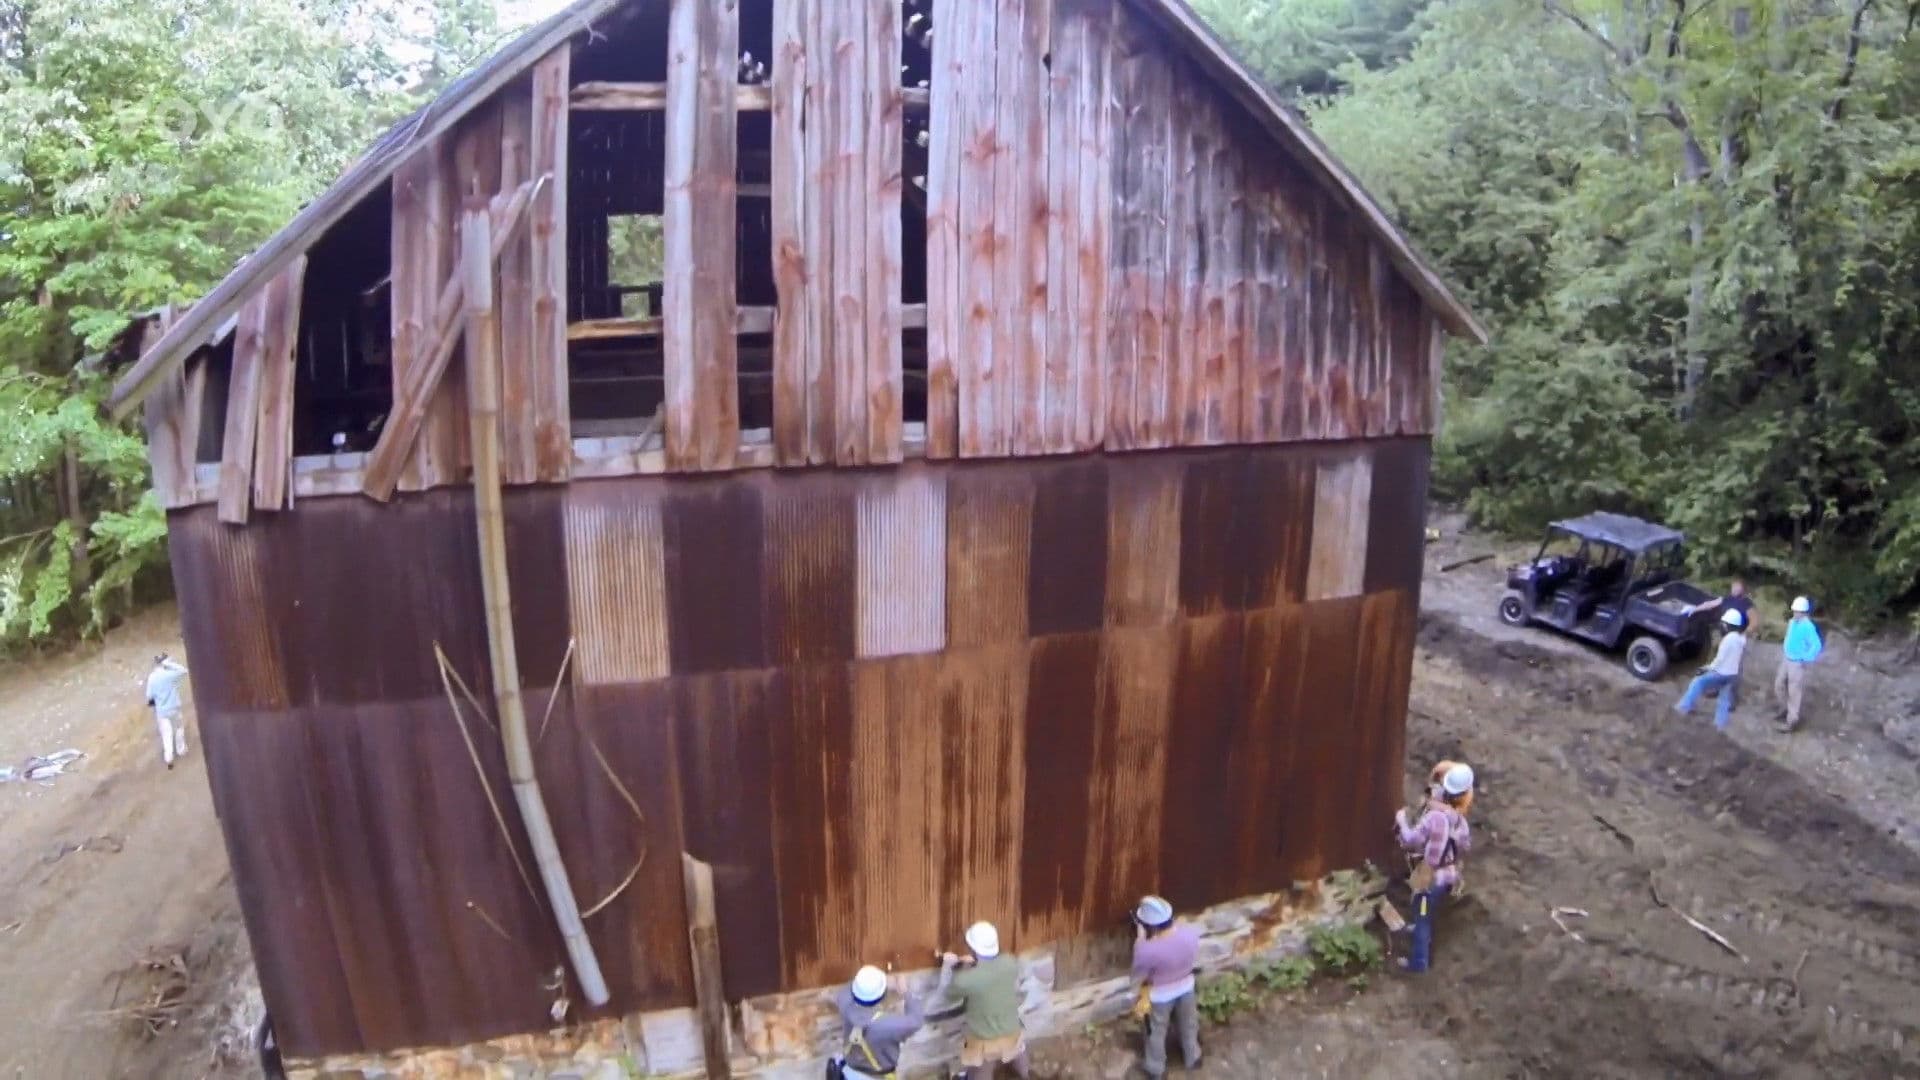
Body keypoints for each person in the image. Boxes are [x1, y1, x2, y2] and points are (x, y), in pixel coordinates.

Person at [1395, 762, 1473, 973]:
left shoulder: (1434, 817)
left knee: (1422, 915)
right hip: (1449, 875)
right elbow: (1465, 845)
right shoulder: (1459, 821)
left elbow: (1411, 840)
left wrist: (1402, 821)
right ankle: (1419, 925)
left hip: (1431, 877)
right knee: (1425, 907)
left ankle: (1419, 963)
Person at [937, 922, 1028, 1079]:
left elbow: (945, 994)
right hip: (1013, 1033)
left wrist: (947, 965)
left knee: (980, 1072)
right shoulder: (1010, 962)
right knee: (1018, 1055)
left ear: (972, 948)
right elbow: (990, 975)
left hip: (984, 1044)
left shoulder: (965, 980)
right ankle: (1025, 1075)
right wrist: (973, 963)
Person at [1129, 896, 1202, 1077]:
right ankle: (1193, 1057)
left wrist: (1140, 942)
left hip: (1161, 995)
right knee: (1189, 1023)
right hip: (1186, 986)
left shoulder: (1146, 950)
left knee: (1156, 1031)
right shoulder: (1190, 934)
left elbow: (1139, 971)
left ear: (1149, 927)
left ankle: (1156, 1068)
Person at [832, 965, 925, 1080]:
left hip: (849, 1073)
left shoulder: (844, 1002)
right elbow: (916, 1020)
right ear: (882, 995)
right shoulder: (888, 1025)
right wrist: (906, 991)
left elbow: (850, 988)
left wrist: (870, 982)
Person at [1674, 608, 1747, 730]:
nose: (1722, 627)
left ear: (1728, 625)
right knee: (1724, 701)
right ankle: (1719, 727)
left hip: (1721, 673)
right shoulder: (1741, 639)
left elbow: (1719, 660)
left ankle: (1683, 707)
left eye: (1724, 624)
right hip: (1733, 675)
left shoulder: (1727, 640)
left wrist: (1705, 669)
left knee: (1697, 682)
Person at [1775, 596, 1823, 733]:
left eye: (1797, 612)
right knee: (1779, 685)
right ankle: (1784, 708)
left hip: (1797, 662)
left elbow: (1816, 645)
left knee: (1794, 691)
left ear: (1804, 612)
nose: (1795, 614)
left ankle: (1792, 720)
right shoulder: (1792, 622)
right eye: (1794, 611)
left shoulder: (1808, 626)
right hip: (1787, 658)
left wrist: (1805, 657)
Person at [144, 653, 191, 769]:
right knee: (179, 728)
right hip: (174, 708)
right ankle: (181, 750)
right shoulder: (169, 675)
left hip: (161, 712)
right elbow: (184, 671)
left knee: (166, 734)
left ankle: (169, 758)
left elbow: (149, 696)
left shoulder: (152, 678)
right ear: (164, 663)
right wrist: (170, 664)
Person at [1686, 578, 1753, 635]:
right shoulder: (1726, 599)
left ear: (1743, 589)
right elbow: (1709, 604)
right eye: (1734, 586)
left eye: (1737, 586)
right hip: (1724, 631)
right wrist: (1694, 610)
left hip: (1737, 633)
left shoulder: (1746, 603)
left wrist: (1743, 635)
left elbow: (1754, 622)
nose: (1734, 588)